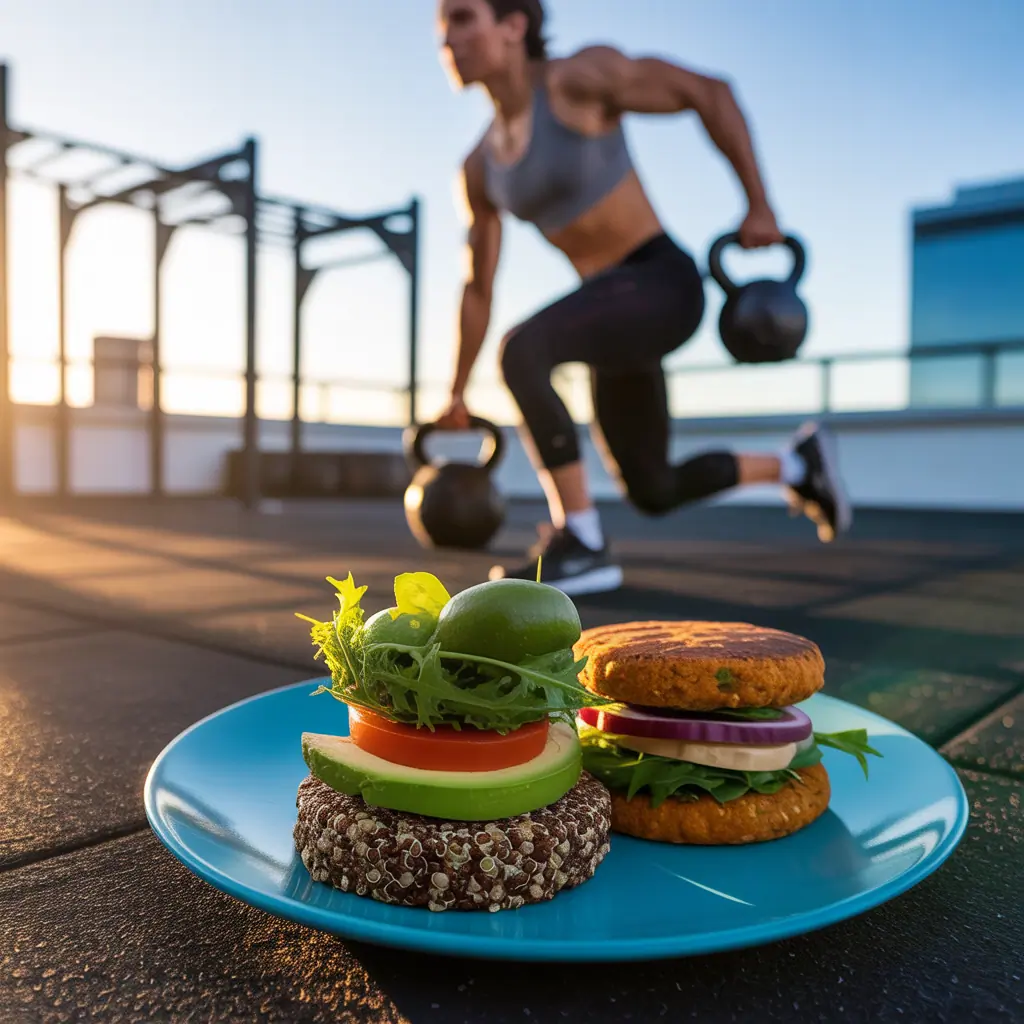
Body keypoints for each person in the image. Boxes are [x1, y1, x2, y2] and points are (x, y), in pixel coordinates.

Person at [434, 0, 851, 595]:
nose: (447, 38)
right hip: (610, 311)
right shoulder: (478, 168)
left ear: (514, 25)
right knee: (653, 488)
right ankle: (797, 464)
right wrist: (454, 390)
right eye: (442, 26)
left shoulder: (579, 79)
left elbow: (710, 93)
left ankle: (580, 538)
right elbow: (477, 286)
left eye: (461, 17)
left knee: (522, 352)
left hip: (660, 283)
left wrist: (759, 205)